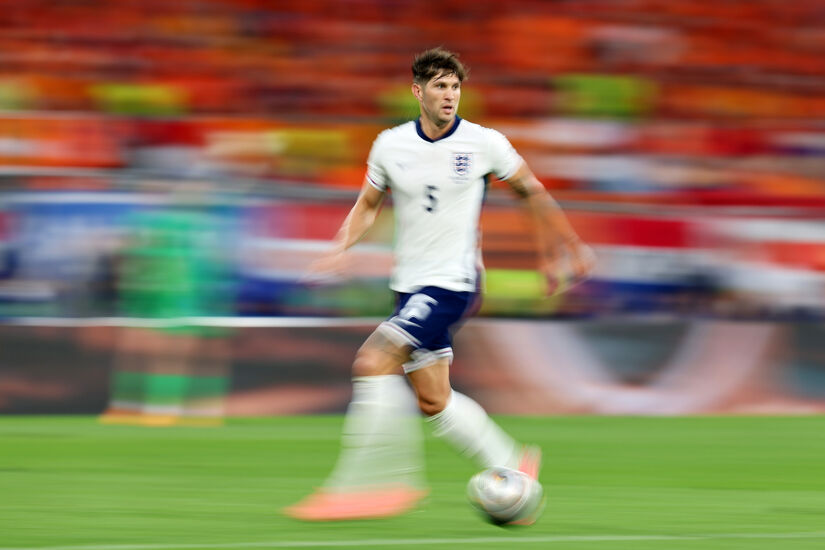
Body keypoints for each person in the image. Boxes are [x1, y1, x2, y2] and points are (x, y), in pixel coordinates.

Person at [284, 47, 595, 523]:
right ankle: (512, 461)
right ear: (418, 91)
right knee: (433, 399)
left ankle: (373, 484)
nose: (450, 95)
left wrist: (566, 246)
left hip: (452, 284)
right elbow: (369, 204)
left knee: (372, 360)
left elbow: (530, 190)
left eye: (456, 87)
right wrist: (339, 247)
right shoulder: (390, 145)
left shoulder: (484, 142)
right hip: (408, 286)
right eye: (440, 86)